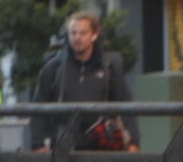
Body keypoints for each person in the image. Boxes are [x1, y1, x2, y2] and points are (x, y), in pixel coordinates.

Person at [31, 10, 139, 152]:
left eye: (83, 33)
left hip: (102, 144)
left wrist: (133, 142)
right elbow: (39, 107)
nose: (77, 38)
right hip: (63, 145)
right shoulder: (54, 68)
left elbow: (125, 105)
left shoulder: (109, 67)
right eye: (73, 33)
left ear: (94, 35)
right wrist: (38, 144)